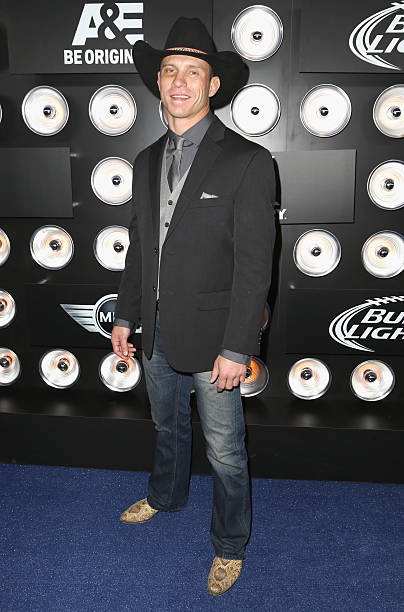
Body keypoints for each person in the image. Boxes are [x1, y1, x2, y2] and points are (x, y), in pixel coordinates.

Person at [111, 16, 276, 597]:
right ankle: (165, 495)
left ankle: (230, 545)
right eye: (170, 70)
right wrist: (126, 315)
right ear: (158, 81)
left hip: (216, 340)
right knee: (167, 425)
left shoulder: (250, 161)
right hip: (156, 331)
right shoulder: (145, 160)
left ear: (213, 85)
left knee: (225, 450)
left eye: (193, 72)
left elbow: (255, 269)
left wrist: (238, 347)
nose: (180, 82)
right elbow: (141, 247)